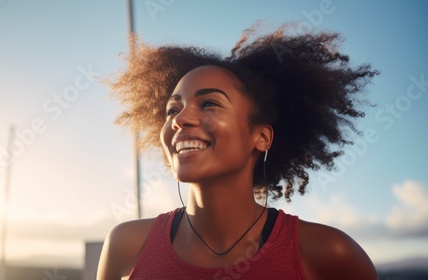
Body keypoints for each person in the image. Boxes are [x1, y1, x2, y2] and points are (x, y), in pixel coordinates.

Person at [97, 22, 379, 280]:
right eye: (172, 109)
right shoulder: (126, 245)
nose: (179, 120)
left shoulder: (329, 253)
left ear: (261, 136)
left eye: (209, 104)